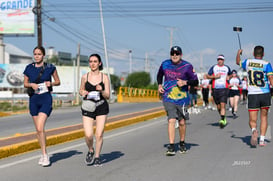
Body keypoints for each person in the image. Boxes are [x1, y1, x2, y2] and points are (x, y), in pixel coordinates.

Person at [157, 46, 198, 156]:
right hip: (168, 97)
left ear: (181, 55)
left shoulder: (187, 66)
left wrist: (185, 82)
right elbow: (159, 75)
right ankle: (171, 146)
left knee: (182, 122)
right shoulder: (165, 64)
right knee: (171, 120)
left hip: (183, 99)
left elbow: (195, 82)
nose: (174, 55)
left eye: (177, 53)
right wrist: (159, 85)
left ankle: (182, 142)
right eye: (172, 53)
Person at [23, 46, 60, 167]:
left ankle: (45, 155)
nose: (37, 56)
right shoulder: (28, 68)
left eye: (39, 54)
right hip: (34, 100)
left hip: (45, 99)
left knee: (40, 128)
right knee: (38, 131)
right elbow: (25, 83)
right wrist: (31, 85)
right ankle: (43, 153)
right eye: (35, 54)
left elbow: (58, 81)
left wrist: (51, 83)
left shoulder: (50, 67)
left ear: (44, 55)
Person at [236, 46, 273, 147]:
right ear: (263, 54)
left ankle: (254, 130)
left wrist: (239, 53)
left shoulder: (248, 62)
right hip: (265, 93)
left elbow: (238, 62)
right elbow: (271, 78)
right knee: (264, 117)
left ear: (253, 53)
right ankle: (261, 140)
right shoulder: (267, 64)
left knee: (253, 120)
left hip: (253, 94)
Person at [79, 53, 110, 166]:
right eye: (91, 61)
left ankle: (97, 156)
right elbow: (80, 90)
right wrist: (83, 92)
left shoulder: (104, 77)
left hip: (101, 106)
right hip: (88, 106)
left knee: (99, 134)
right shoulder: (85, 77)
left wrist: (101, 90)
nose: (92, 64)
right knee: (88, 135)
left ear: (99, 63)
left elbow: (108, 95)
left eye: (95, 61)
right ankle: (91, 150)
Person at [207, 54, 232, 128]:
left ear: (223, 60)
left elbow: (230, 74)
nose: (219, 61)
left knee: (223, 105)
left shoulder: (227, 68)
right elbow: (208, 76)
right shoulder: (214, 67)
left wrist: (228, 77)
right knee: (218, 106)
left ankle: (222, 119)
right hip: (215, 88)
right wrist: (215, 76)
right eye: (218, 59)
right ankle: (223, 117)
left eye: (221, 59)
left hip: (224, 88)